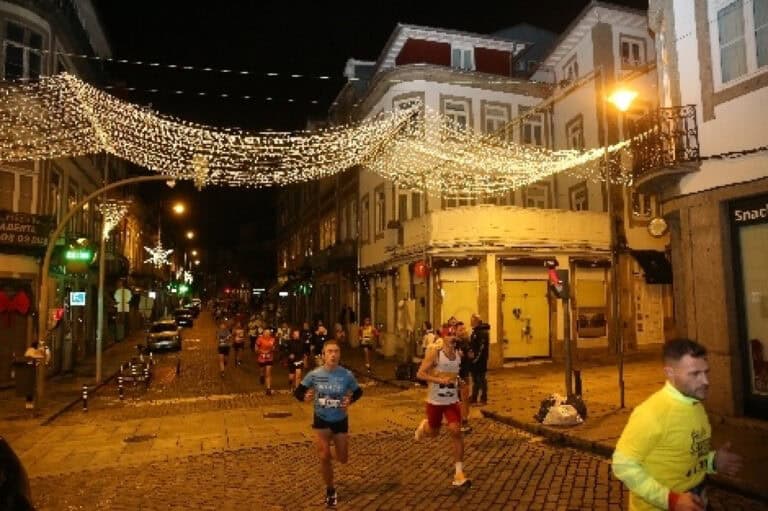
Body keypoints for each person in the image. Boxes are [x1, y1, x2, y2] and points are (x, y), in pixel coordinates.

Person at [612, 339, 743, 511]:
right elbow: (622, 465)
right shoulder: (651, 413)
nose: (705, 381)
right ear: (670, 373)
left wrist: (713, 461)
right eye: (695, 374)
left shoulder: (694, 405)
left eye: (706, 372)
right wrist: (670, 500)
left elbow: (686, 456)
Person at [294, 339, 363, 507]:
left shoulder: (346, 375)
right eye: (330, 351)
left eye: (336, 351)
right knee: (324, 456)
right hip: (321, 419)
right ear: (323, 355)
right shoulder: (315, 374)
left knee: (343, 458)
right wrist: (305, 397)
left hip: (340, 420)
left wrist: (350, 400)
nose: (333, 354)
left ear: (339, 354)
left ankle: (332, 451)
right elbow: (298, 392)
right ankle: (330, 490)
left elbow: (358, 391)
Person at [413, 328, 471, 488]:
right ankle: (424, 426)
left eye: (454, 335)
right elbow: (420, 374)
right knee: (433, 432)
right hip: (435, 402)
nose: (453, 338)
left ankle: (459, 474)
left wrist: (458, 382)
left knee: (456, 431)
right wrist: (439, 381)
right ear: (443, 338)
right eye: (449, 335)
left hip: (451, 402)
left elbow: (455, 375)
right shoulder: (435, 354)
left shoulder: (458, 355)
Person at [454, 322, 473, 433]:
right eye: (461, 329)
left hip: (465, 373)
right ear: (455, 331)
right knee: (459, 399)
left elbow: (471, 356)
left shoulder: (467, 342)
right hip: (457, 374)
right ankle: (461, 421)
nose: (463, 331)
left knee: (465, 398)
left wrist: (470, 355)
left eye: (464, 329)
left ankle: (464, 420)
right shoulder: (453, 343)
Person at [469, 313, 490, 406]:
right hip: (474, 361)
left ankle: (483, 398)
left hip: (480, 361)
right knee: (475, 380)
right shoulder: (475, 332)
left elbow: (481, 348)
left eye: (472, 320)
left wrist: (475, 359)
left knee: (481, 380)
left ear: (476, 321)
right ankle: (474, 397)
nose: (470, 322)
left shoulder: (482, 332)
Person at [22, 342, 45, 409]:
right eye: (38, 346)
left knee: (30, 388)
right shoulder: (32, 351)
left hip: (29, 372)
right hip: (30, 372)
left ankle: (29, 403)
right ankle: (29, 404)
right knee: (30, 388)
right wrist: (41, 352)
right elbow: (37, 357)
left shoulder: (30, 350)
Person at [256, 328, 276, 394]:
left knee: (268, 373)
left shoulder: (272, 339)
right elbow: (256, 348)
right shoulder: (260, 339)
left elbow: (273, 347)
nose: (267, 334)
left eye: (268, 332)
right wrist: (261, 351)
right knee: (262, 370)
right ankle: (261, 376)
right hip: (261, 358)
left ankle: (268, 388)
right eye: (266, 332)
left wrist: (271, 350)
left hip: (269, 358)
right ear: (263, 333)